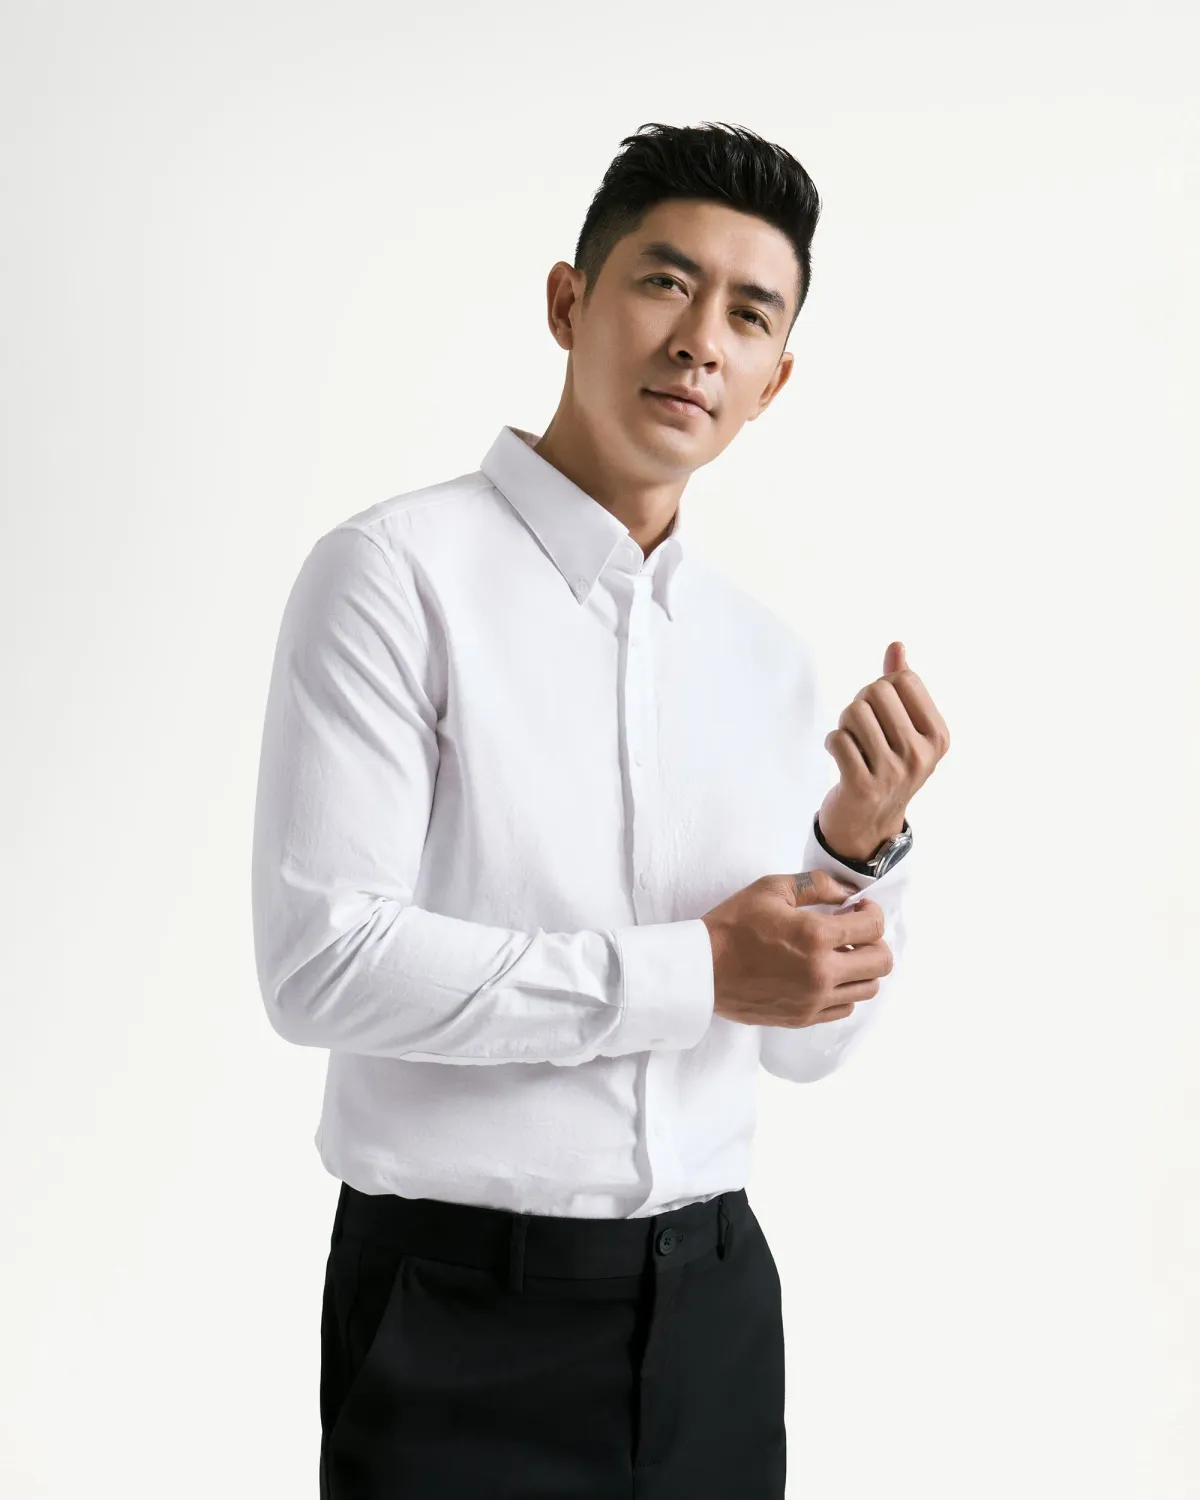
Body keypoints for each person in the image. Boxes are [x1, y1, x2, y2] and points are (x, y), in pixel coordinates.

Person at [250, 118, 949, 1500]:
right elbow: (322, 963)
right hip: (454, 1319)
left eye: (748, 315)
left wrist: (856, 851)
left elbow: (804, 1055)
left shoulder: (763, 657)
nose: (700, 342)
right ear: (570, 301)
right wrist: (697, 970)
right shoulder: (393, 577)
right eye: (665, 281)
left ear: (773, 380)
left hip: (716, 1315)